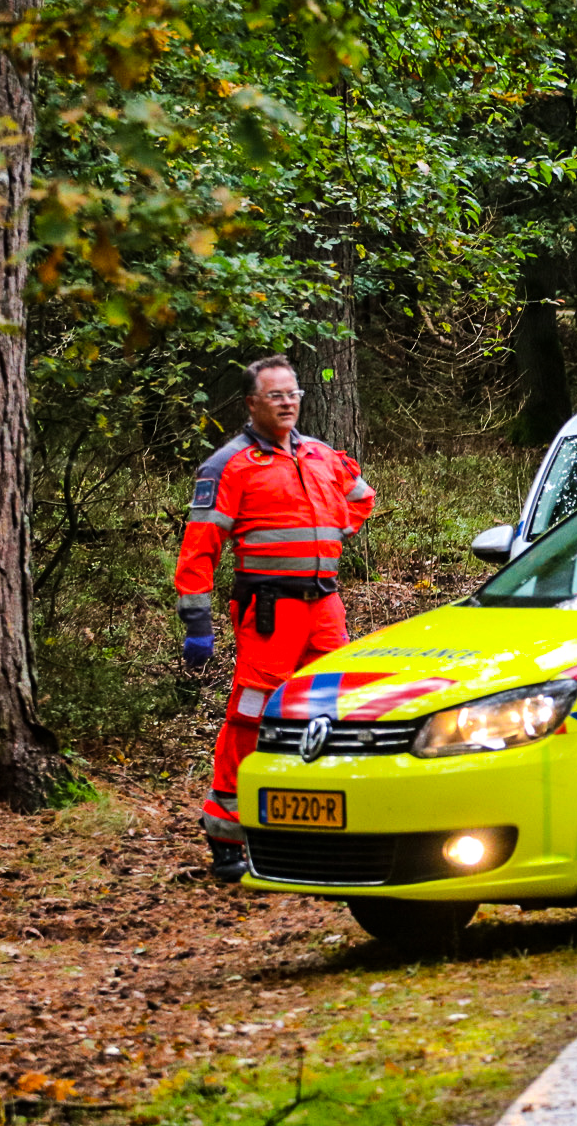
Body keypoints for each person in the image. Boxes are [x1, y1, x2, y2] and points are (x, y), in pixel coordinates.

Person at [175, 356, 376, 879]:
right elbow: (199, 548)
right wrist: (198, 624)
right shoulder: (229, 465)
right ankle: (227, 832)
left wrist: (330, 531)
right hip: (268, 613)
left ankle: (325, 828)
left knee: (332, 714)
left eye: (293, 393)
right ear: (252, 404)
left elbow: (361, 497)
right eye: (275, 396)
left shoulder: (323, 455)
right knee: (251, 716)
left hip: (324, 606)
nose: (287, 402)